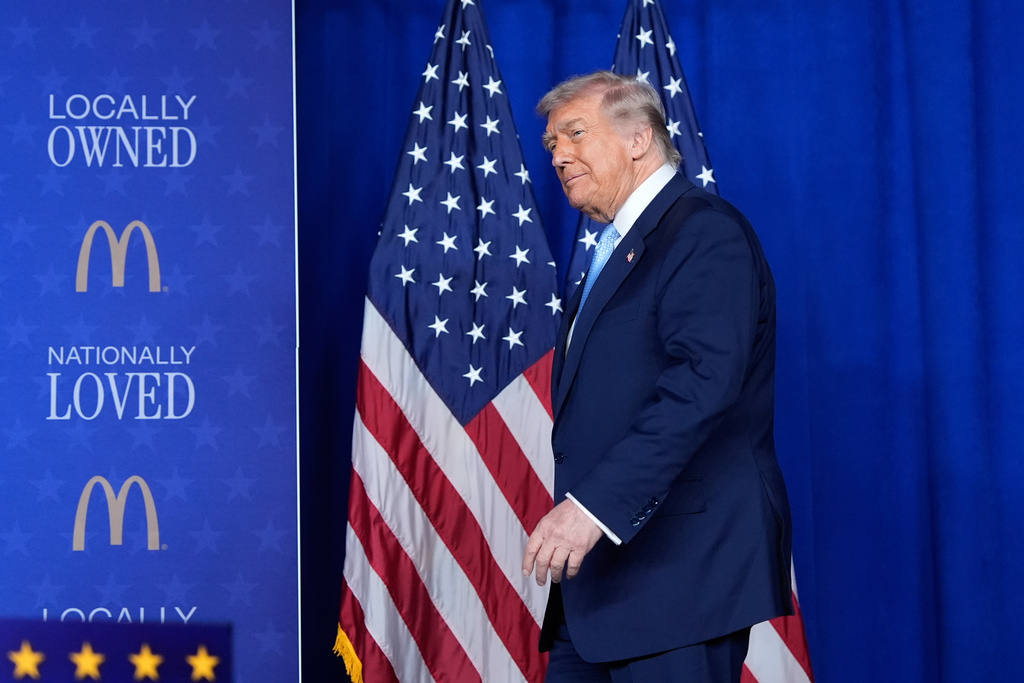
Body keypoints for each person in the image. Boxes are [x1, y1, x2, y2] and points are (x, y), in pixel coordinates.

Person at [521, 71, 794, 683]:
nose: (559, 154)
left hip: (679, 581)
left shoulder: (702, 232)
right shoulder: (616, 247)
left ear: (639, 138)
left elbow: (701, 386)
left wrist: (589, 508)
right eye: (551, 144)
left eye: (575, 134)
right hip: (602, 589)